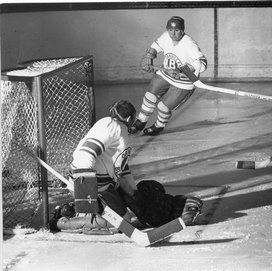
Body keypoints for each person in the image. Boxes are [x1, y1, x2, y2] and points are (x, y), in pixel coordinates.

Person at [49, 100, 203, 232]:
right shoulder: (110, 125)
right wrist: (86, 191)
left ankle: (77, 209)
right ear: (130, 117)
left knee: (136, 205)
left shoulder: (121, 131)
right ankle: (62, 222)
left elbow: (120, 167)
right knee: (120, 224)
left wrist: (134, 193)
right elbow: (85, 153)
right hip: (91, 185)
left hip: (104, 185)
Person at [129, 16, 207, 136]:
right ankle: (141, 121)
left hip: (184, 81)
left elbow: (202, 63)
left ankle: (159, 126)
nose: (173, 33)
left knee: (163, 107)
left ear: (182, 30)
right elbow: (156, 46)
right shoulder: (166, 36)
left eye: (176, 30)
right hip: (166, 74)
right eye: (170, 30)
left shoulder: (189, 44)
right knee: (150, 96)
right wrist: (150, 55)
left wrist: (188, 68)